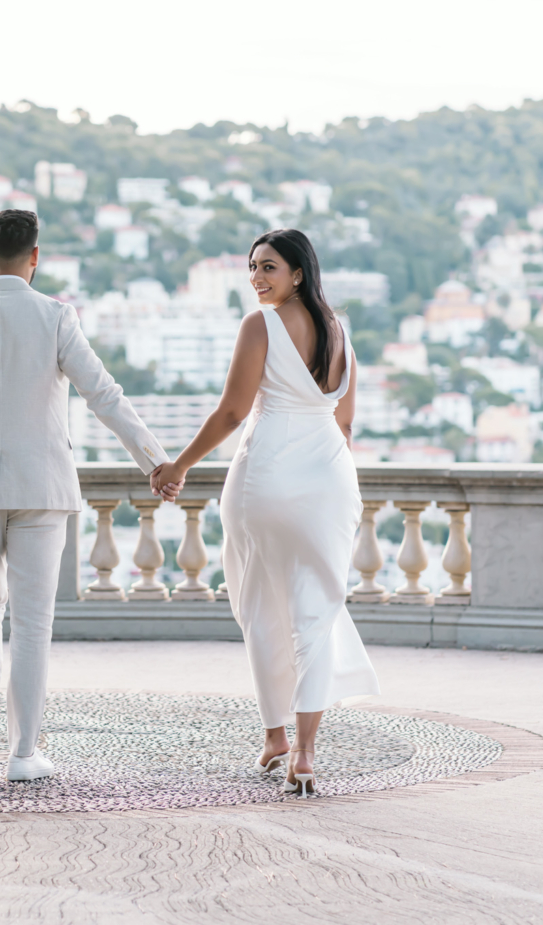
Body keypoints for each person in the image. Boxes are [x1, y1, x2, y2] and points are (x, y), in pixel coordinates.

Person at [0, 208, 169, 782]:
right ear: (35, 257)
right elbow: (104, 395)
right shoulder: (56, 316)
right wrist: (154, 459)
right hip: (44, 485)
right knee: (32, 622)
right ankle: (22, 754)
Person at [150, 228, 379, 797]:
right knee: (317, 613)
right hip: (329, 481)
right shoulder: (339, 333)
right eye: (253, 267)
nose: (257, 278)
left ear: (298, 273)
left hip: (267, 479)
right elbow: (344, 424)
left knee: (259, 606)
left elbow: (232, 412)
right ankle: (303, 753)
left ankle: (277, 735)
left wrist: (177, 465)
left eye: (269, 268)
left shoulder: (261, 326)